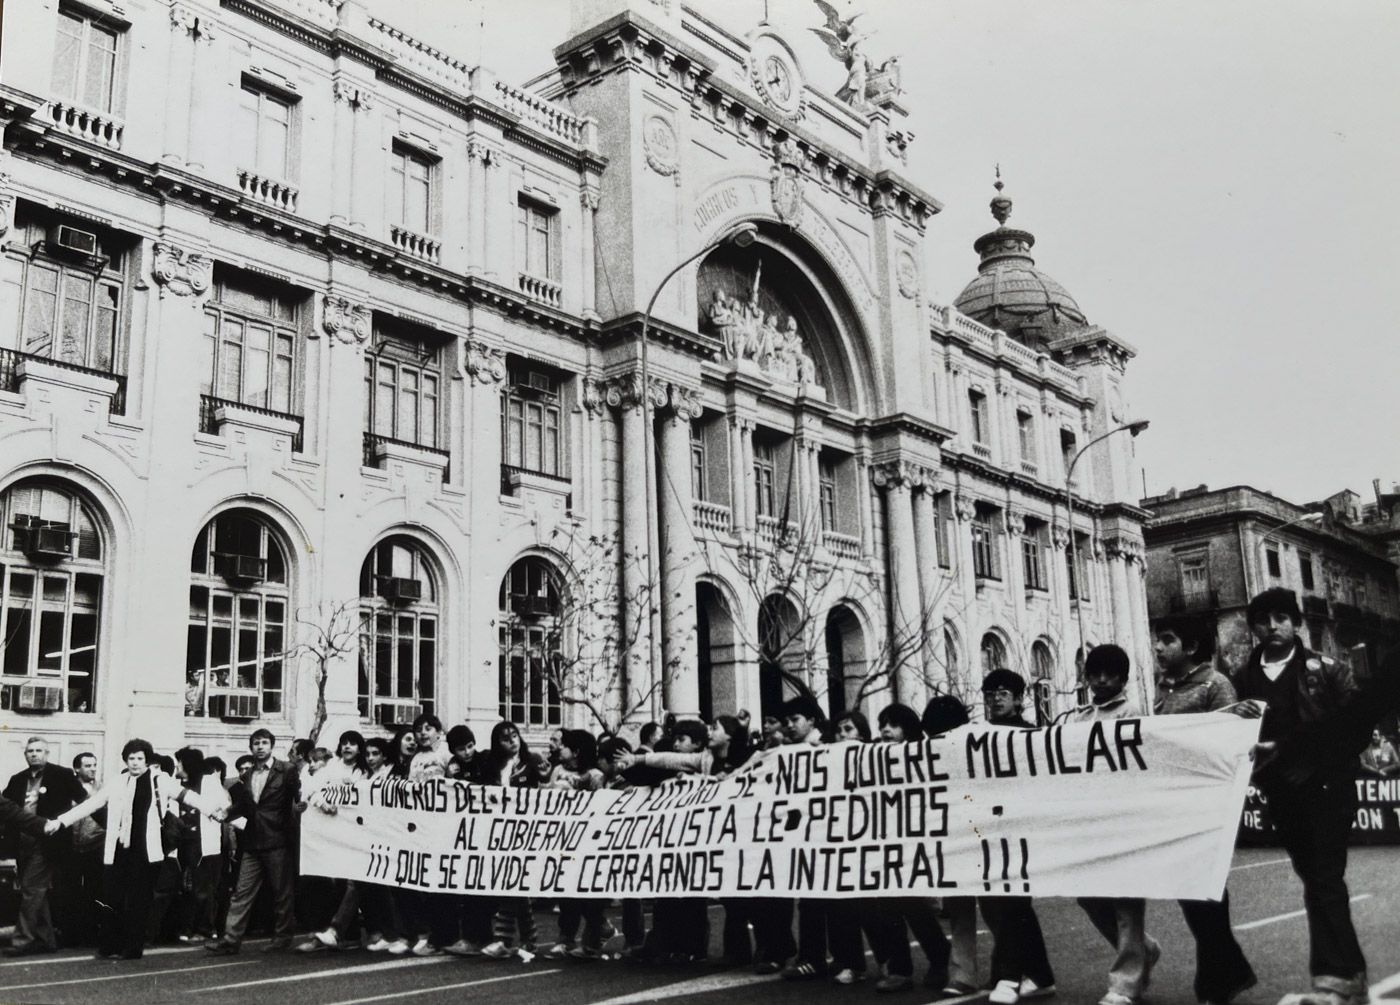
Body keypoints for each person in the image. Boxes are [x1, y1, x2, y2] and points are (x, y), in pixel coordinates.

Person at [1233, 588, 1367, 1005]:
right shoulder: (1242, 677)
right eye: (1262, 620)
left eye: (1281, 618)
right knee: (1314, 879)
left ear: (1295, 622)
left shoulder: (1326, 670)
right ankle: (1348, 976)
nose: (1272, 627)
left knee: (1325, 877)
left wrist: (1297, 749)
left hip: (1327, 787)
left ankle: (1335, 979)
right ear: (1252, 627)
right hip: (1281, 791)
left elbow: (1354, 728)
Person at [1151, 615, 1257, 1005]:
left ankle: (1214, 981)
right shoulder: (1165, 687)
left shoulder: (1216, 685)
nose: (1158, 648)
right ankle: (1230, 973)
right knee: (1191, 892)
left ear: (1192, 647)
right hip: (1174, 803)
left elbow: (1228, 743)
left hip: (1208, 802)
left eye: (1167, 640)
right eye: (1157, 641)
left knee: (1206, 892)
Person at [1057, 645, 1160, 1005]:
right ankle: (1144, 948)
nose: (1101, 680)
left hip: (1124, 816)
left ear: (1122, 678)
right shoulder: (1080, 717)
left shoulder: (1131, 712)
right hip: (1091, 818)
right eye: (1095, 674)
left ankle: (1125, 983)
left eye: (1110, 674)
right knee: (1089, 897)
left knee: (1126, 901)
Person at [54, 738, 217, 960]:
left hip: (147, 851)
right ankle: (109, 945)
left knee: (139, 900)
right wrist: (60, 821)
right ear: (125, 760)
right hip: (119, 849)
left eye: (140, 758)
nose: (135, 763)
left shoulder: (160, 780)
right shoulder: (118, 781)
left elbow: (189, 797)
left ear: (147, 760)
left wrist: (215, 812)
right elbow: (91, 804)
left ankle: (132, 948)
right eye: (131, 758)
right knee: (113, 897)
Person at [867, 703, 956, 996]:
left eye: (892, 724)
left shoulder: (925, 755)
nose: (885, 730)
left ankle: (938, 958)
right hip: (886, 840)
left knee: (914, 905)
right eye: (882, 724)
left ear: (908, 728)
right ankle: (901, 969)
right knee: (886, 906)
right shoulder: (874, 757)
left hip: (916, 841)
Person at [979, 670, 1055, 1005]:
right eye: (990, 692)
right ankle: (1040, 975)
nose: (996, 698)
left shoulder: (1031, 735)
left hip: (1021, 829)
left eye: (1003, 692)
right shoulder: (977, 735)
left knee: (1013, 902)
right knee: (1002, 906)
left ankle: (1008, 977)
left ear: (1019, 698)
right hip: (989, 828)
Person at [206, 728, 301, 955]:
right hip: (253, 841)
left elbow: (298, 798)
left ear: (272, 746)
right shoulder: (248, 776)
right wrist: (225, 813)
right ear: (251, 747)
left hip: (278, 839)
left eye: (264, 743)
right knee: (241, 891)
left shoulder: (286, 770)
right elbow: (244, 806)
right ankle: (230, 939)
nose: (260, 747)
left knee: (281, 891)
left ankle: (283, 937)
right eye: (256, 743)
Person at [2, 736, 87, 955]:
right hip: (23, 842)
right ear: (25, 755)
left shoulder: (62, 775)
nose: (34, 754)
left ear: (47, 754)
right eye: (30, 751)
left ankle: (23, 940)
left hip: (48, 841)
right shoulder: (16, 780)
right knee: (35, 890)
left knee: (31, 888)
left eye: (39, 750)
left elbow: (85, 803)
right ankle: (46, 939)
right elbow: (8, 814)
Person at [475, 722, 547, 959]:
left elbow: (549, 790)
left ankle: (508, 940)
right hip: (501, 831)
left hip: (526, 831)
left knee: (514, 885)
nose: (512, 741)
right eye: (506, 738)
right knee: (511, 886)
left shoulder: (533, 761)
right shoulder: (492, 765)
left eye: (515, 736)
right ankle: (524, 940)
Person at [64, 752, 106, 946]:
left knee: (94, 889)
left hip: (95, 844)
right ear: (77, 769)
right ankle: (71, 933)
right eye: (88, 765)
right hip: (71, 847)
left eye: (94, 765)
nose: (93, 769)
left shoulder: (102, 789)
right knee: (70, 891)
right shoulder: (68, 788)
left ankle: (91, 932)